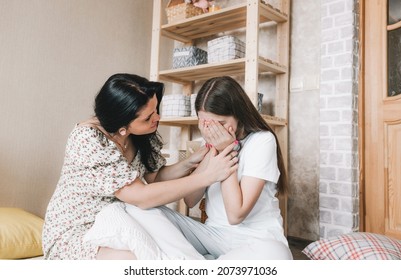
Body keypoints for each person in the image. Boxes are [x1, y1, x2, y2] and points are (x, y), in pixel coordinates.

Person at [42, 73, 238, 260]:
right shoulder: (88, 139)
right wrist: (205, 177)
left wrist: (190, 162)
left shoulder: (138, 135)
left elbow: (155, 178)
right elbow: (140, 196)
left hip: (124, 219)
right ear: (123, 124)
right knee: (147, 260)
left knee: (166, 251)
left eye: (156, 110)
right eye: (148, 117)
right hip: (79, 231)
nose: (157, 118)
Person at [158, 76, 293, 259]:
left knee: (277, 255)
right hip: (212, 235)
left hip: (255, 240)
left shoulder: (262, 141)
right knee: (146, 211)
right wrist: (212, 150)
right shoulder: (210, 142)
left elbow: (236, 215)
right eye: (204, 123)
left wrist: (226, 150)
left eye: (219, 124)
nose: (210, 130)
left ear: (239, 115)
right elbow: (190, 200)